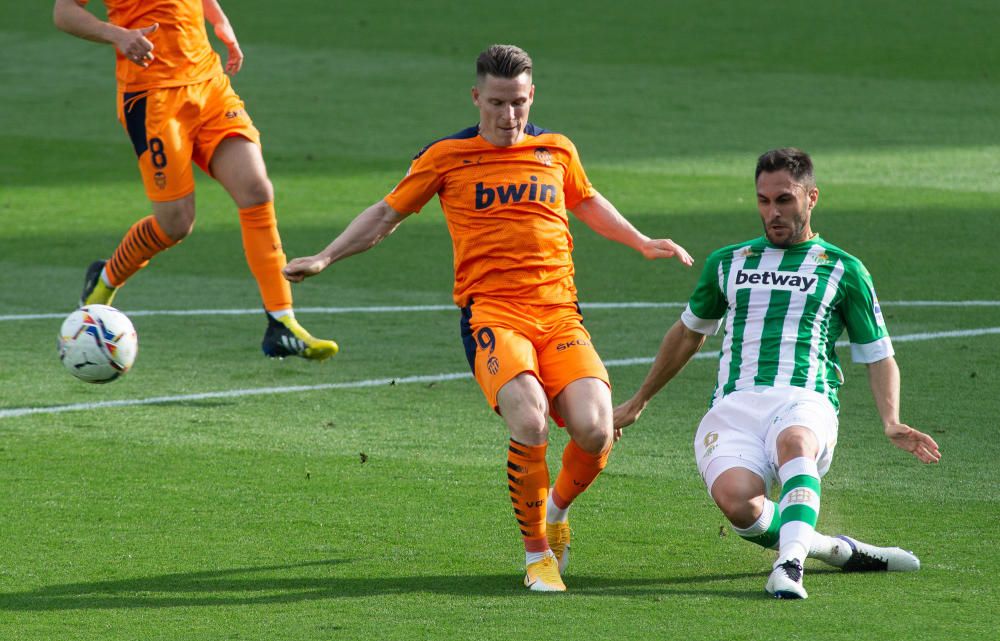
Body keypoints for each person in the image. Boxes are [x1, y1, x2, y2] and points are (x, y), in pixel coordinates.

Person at [283, 44, 693, 591]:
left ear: (531, 96)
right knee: (529, 421)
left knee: (596, 430)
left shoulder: (556, 150)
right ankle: (537, 556)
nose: (508, 116)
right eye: (497, 103)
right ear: (476, 97)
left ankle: (557, 511)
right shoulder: (446, 156)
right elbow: (386, 215)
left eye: (518, 102)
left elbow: (587, 200)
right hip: (492, 315)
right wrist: (326, 256)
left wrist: (640, 241)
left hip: (559, 313)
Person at [613, 148, 941, 599]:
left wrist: (890, 419)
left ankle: (788, 566)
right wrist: (639, 400)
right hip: (733, 407)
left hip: (804, 398)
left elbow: (878, 353)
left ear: (811, 197)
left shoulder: (844, 269)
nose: (774, 212)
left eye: (785, 199)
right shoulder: (728, 263)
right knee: (738, 504)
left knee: (795, 442)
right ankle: (832, 549)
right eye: (764, 201)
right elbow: (688, 334)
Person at [53, 0, 337, 360]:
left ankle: (281, 322)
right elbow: (63, 12)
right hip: (153, 97)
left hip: (209, 84)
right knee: (175, 223)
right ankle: (106, 278)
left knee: (256, 191)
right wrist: (118, 36)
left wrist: (220, 21)